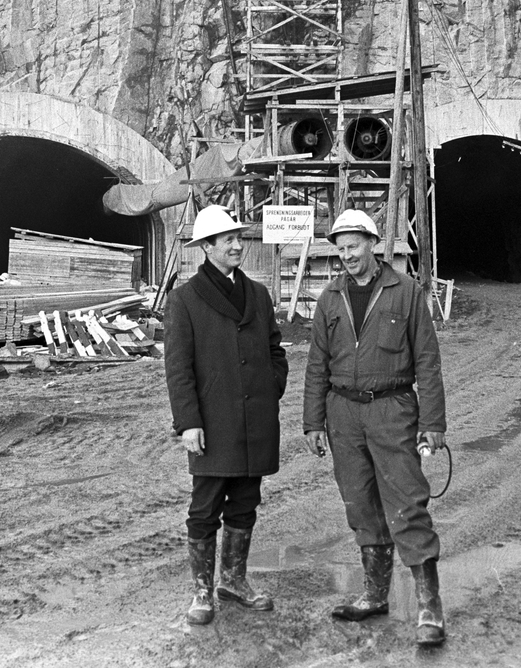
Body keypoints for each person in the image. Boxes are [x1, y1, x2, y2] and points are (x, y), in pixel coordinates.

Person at [303, 208, 448, 646]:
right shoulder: (330, 297)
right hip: (343, 414)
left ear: (371, 243)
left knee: (406, 502)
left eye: (353, 245)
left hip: (392, 409)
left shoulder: (404, 292)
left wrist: (433, 422)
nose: (347, 255)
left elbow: (427, 359)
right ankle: (374, 594)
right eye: (340, 248)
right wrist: (313, 421)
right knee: (360, 502)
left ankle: (429, 606)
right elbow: (316, 365)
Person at [164, 204, 289, 625]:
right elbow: (178, 368)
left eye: (238, 237)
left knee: (245, 504)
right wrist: (188, 422)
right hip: (211, 425)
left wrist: (272, 386)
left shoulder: (257, 293)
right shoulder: (184, 300)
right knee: (205, 508)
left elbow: (275, 349)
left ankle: (233, 581)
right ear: (207, 248)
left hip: (255, 421)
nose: (237, 244)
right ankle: (202, 592)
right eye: (228, 240)